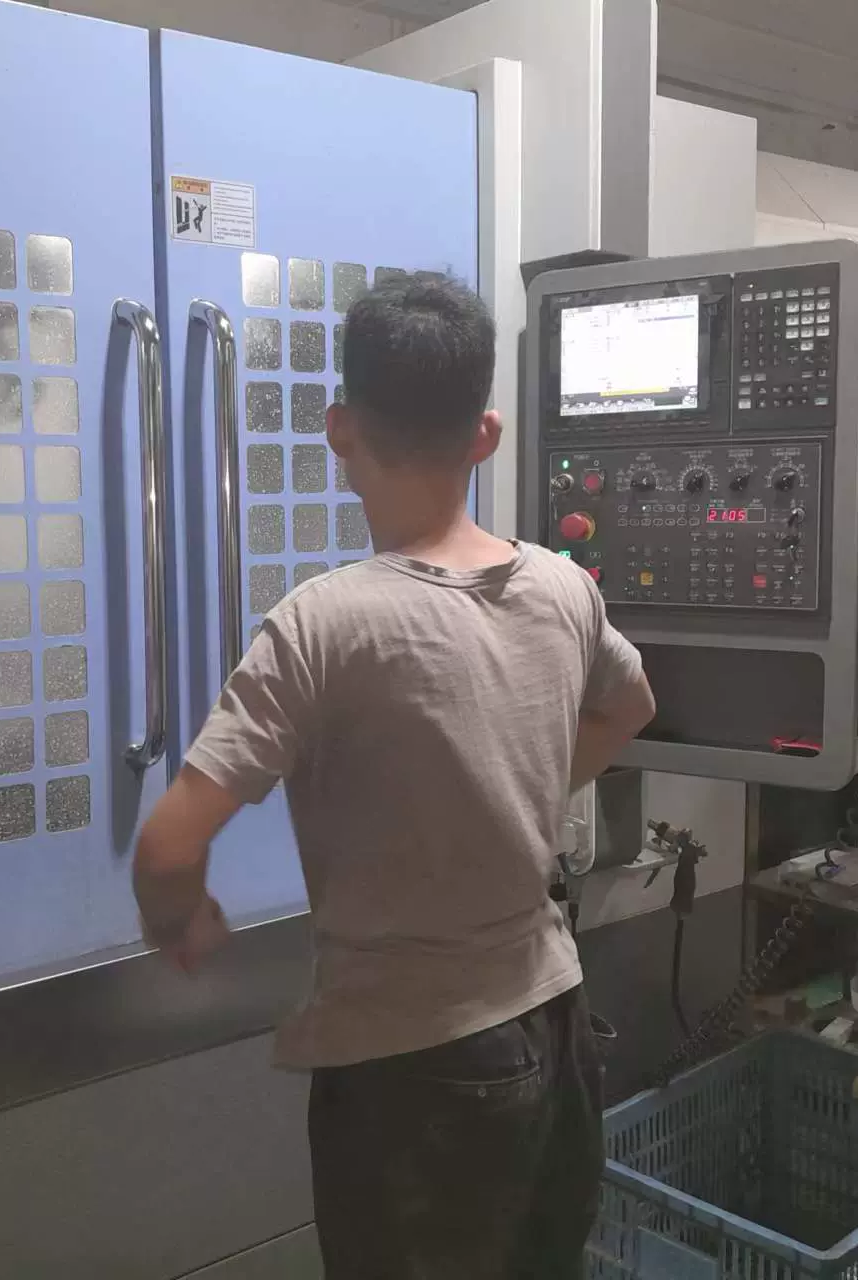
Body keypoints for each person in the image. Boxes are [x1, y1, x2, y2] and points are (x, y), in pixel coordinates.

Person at [132, 274, 655, 1279]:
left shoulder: (322, 625)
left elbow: (168, 843)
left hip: (410, 1067)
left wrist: (180, 918)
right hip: (554, 1025)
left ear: (339, 428)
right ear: (485, 435)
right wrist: (525, 788)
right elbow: (629, 706)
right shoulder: (560, 586)